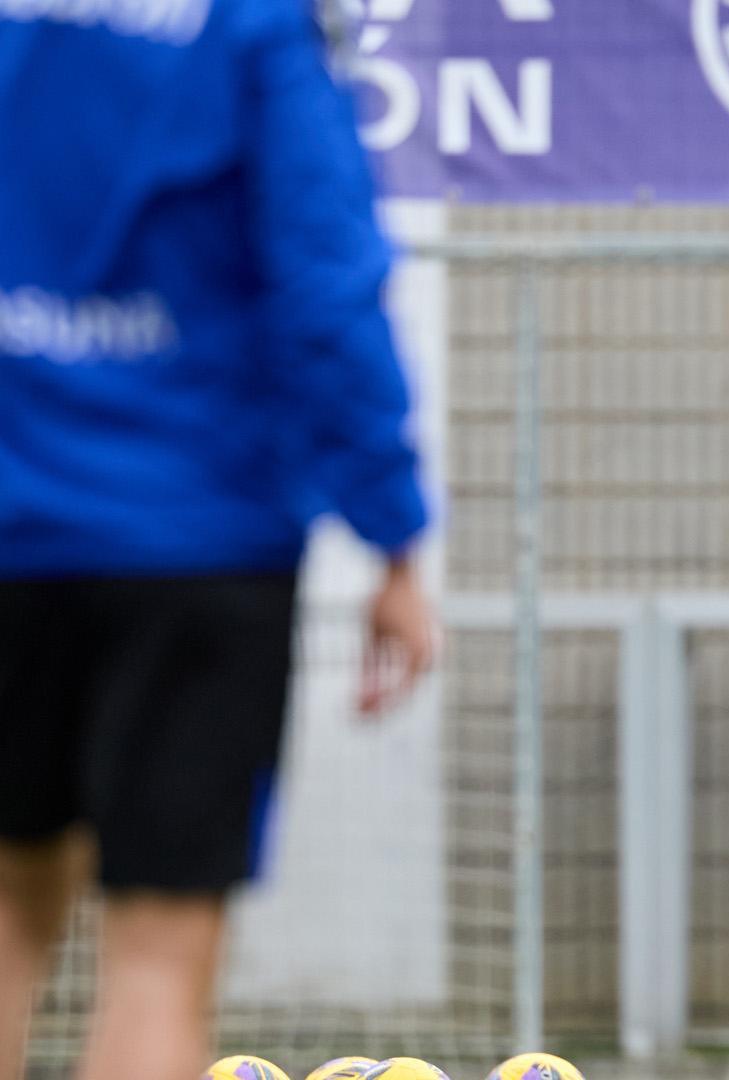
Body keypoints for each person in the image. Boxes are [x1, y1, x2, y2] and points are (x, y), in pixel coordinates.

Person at [0, 3, 437, 1079]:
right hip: (194, 536)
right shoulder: (250, 21)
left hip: (17, 527)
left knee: (8, 919)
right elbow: (327, 281)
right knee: (153, 954)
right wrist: (392, 533)